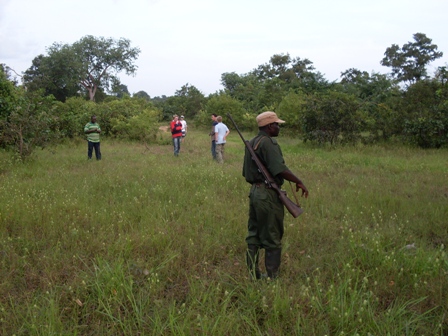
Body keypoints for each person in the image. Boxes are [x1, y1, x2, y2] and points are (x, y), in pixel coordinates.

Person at [242, 111, 309, 279]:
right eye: (277, 124)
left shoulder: (252, 142)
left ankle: (253, 275)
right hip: (268, 194)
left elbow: (246, 173)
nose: (278, 127)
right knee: (272, 235)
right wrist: (298, 181)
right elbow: (280, 169)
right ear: (270, 126)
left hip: (255, 192)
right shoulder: (269, 143)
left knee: (254, 234)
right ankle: (272, 278)